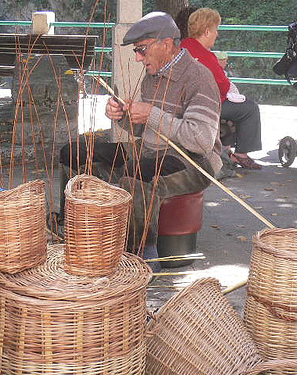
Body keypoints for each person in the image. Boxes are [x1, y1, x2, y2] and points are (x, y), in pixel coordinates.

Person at [58, 11, 222, 271]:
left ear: (166, 44)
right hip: (149, 150)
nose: (138, 58)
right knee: (75, 152)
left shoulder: (198, 78)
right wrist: (123, 116)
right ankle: (76, 230)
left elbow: (201, 140)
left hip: (194, 162)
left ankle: (138, 256)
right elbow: (145, 131)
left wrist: (152, 114)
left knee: (138, 172)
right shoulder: (153, 75)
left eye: (142, 50)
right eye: (137, 51)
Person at [181, 8, 263, 170]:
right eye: (215, 30)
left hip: (184, 101)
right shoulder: (207, 56)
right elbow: (223, 86)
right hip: (205, 105)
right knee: (250, 108)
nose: (217, 34)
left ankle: (226, 147)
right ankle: (241, 154)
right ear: (206, 32)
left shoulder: (184, 46)